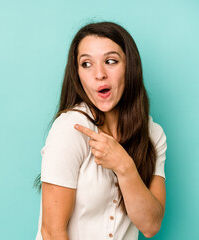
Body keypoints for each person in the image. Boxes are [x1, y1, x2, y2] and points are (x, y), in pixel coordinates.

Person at [34, 21, 167, 240]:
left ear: (130, 67)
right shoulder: (71, 128)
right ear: (77, 75)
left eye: (111, 61)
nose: (99, 74)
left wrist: (125, 167)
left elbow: (150, 226)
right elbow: (52, 231)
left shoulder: (153, 134)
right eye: (86, 64)